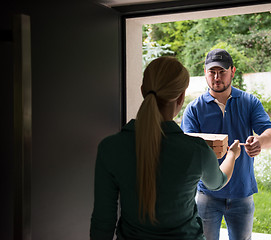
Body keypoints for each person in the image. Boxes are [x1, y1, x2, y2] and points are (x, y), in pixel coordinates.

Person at [90, 56, 241, 240]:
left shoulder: (110, 148)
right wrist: (232, 155)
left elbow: (102, 223)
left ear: (143, 91)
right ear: (181, 97)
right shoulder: (196, 150)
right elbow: (217, 182)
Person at [181, 49, 271, 240]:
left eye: (222, 71)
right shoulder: (194, 109)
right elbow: (188, 151)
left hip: (242, 193)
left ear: (232, 71)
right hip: (207, 194)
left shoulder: (249, 102)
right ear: (205, 72)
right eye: (212, 72)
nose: (217, 77)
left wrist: (260, 141)